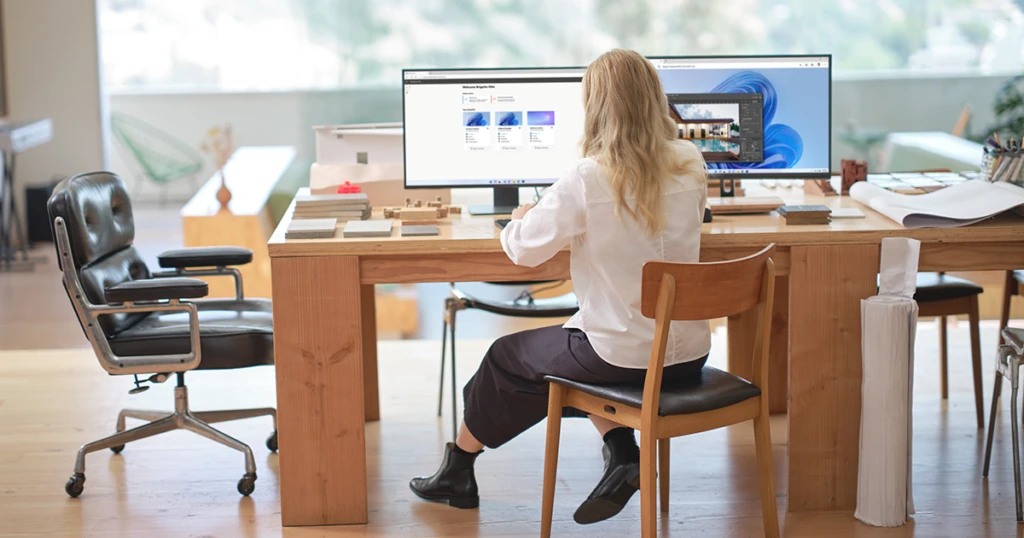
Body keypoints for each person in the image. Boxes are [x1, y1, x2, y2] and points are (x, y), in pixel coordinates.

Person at [410, 49, 711, 525]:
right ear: (656, 99)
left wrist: (519, 219)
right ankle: (621, 452)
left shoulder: (589, 176)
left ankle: (458, 468)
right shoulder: (690, 162)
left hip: (622, 356)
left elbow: (523, 251)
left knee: (506, 359)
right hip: (689, 354)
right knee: (572, 343)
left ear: (594, 106)